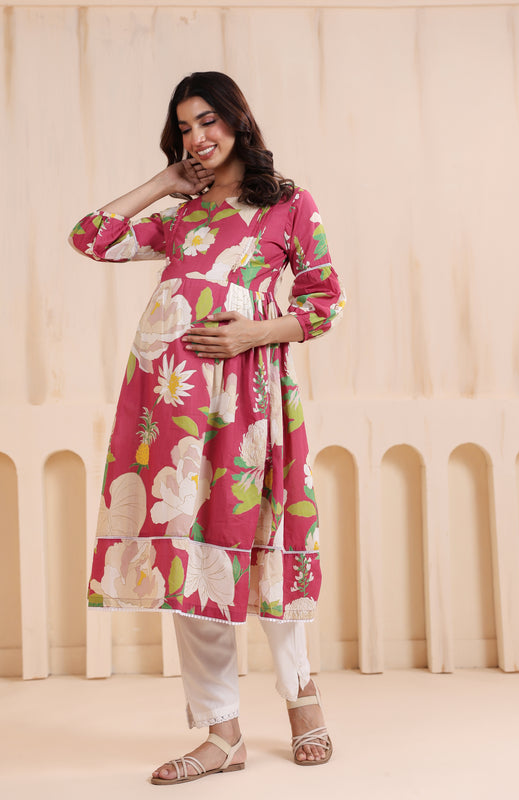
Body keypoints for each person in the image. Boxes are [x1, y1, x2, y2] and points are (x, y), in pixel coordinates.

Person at [69, 71, 344, 784]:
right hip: (174, 403)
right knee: (189, 554)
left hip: (251, 399)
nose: (198, 137)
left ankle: (302, 701)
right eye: (185, 128)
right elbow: (91, 239)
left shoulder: (288, 204)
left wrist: (252, 333)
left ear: (236, 120)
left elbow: (323, 303)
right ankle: (221, 733)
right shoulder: (182, 215)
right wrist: (164, 182)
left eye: (208, 121)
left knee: (263, 539)